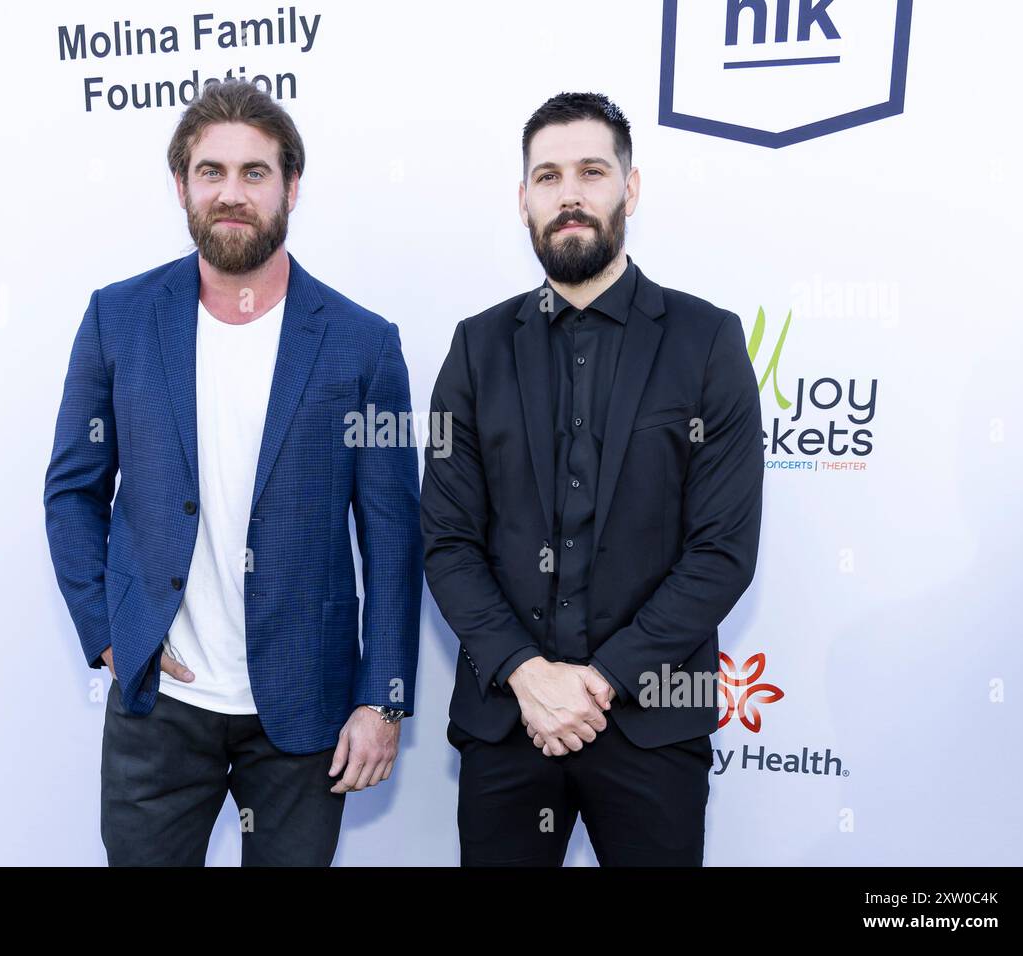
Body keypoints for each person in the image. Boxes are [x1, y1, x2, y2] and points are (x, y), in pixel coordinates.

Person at [44, 80, 421, 866]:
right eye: (211, 171)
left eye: (255, 173)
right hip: (161, 705)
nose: (232, 193)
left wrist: (382, 699)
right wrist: (113, 638)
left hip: (304, 715)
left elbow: (393, 542)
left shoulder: (364, 346)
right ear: (181, 186)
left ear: (291, 188)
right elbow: (73, 492)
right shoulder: (118, 319)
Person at [421, 91, 763, 866]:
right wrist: (524, 672)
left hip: (651, 727)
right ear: (522, 200)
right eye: (547, 176)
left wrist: (601, 680)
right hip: (508, 724)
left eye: (591, 171)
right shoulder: (475, 351)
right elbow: (446, 541)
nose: (568, 194)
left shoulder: (707, 342)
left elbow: (721, 551)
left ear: (630, 189)